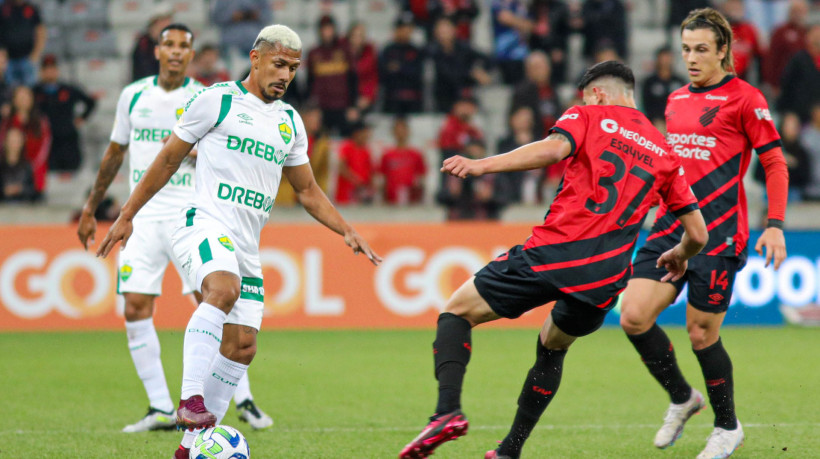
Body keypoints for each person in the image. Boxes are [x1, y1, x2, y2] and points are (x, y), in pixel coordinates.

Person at [94, 25, 381, 459]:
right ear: (256, 58)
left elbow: (306, 190)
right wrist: (127, 214)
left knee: (243, 344)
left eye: (294, 68)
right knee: (221, 291)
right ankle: (189, 402)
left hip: (246, 244)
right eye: (279, 64)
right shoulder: (218, 99)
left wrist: (346, 228)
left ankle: (189, 448)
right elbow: (169, 157)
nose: (286, 75)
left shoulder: (289, 122)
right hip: (204, 223)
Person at [399, 60, 708, 459]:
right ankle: (509, 451)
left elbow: (553, 149)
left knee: (456, 313)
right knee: (552, 347)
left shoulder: (588, 114)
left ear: (597, 93)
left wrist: (482, 165)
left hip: (556, 252)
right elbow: (698, 233)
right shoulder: (664, 151)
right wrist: (679, 254)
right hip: (606, 277)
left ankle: (446, 413)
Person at [77, 24, 274, 435]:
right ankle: (160, 407)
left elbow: (227, 149)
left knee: (218, 302)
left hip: (193, 213)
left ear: (190, 53)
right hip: (145, 219)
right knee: (134, 307)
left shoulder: (204, 96)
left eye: (185, 46)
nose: (176, 52)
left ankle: (245, 400)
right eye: (169, 44)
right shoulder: (133, 95)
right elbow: (115, 153)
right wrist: (92, 207)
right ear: (157, 50)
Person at [619, 9, 789, 459]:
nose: (691, 59)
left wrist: (775, 225)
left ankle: (727, 427)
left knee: (700, 334)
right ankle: (682, 397)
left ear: (723, 52)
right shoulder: (675, 101)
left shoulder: (745, 99)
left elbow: (774, 162)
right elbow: (670, 169)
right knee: (633, 315)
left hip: (718, 234)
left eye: (700, 50)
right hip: (670, 225)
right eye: (685, 50)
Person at [33, 55, 96, 173]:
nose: (49, 72)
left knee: (71, 172)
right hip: (47, 141)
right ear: (41, 72)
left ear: (57, 70)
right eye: (46, 69)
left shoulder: (68, 89)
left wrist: (82, 118)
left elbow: (90, 102)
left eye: (52, 68)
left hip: (68, 139)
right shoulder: (35, 92)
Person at [306, 15, 357, 135]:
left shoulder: (345, 51)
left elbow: (353, 79)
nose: (327, 33)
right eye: (324, 29)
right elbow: (310, 82)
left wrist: (353, 106)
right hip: (322, 107)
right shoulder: (314, 53)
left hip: (343, 105)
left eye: (329, 29)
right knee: (320, 143)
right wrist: (312, 107)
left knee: (346, 140)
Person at [428, 17, 491, 114]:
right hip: (444, 98)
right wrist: (472, 73)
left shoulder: (463, 47)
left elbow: (488, 59)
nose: (444, 32)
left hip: (465, 95)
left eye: (447, 28)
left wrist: (481, 70)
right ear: (435, 32)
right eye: (441, 29)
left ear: (454, 30)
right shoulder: (433, 51)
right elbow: (447, 74)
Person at [0, 85, 50, 199]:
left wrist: (29, 168)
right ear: (14, 100)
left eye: (26, 96)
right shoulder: (7, 121)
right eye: (20, 97)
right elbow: (2, 144)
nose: (23, 100)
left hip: (34, 173)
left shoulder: (40, 122)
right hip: (10, 171)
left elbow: (44, 149)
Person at [380, 13, 425, 115]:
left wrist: (399, 68)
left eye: (409, 28)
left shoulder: (416, 50)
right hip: (392, 99)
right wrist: (406, 69)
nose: (406, 31)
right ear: (396, 29)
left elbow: (417, 74)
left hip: (413, 100)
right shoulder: (388, 50)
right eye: (403, 28)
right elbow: (384, 74)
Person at [209, 0, 270, 74]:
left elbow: (268, 16)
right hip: (231, 44)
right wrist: (232, 16)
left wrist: (256, 15)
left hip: (255, 44)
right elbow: (215, 18)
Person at [509, 51, 560, 138]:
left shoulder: (553, 88)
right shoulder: (522, 92)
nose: (540, 71)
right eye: (536, 67)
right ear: (528, 71)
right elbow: (516, 119)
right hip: (535, 137)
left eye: (542, 67)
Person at [762, 0, 808, 95]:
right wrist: (773, 84)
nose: (797, 14)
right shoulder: (780, 32)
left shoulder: (808, 33)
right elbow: (771, 59)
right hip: (783, 83)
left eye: (800, 11)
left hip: (804, 84)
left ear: (805, 12)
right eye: (794, 11)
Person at [777, 23, 820, 124]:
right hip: (797, 111)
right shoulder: (798, 59)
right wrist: (789, 112)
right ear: (807, 38)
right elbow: (786, 85)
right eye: (815, 37)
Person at [379, 117, 426, 205]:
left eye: (403, 129)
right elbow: (383, 178)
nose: (400, 133)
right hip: (391, 200)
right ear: (393, 132)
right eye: (397, 130)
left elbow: (421, 177)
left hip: (411, 199)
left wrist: (420, 197)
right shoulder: (387, 155)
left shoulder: (416, 154)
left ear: (408, 131)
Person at [0, 0, 46, 87]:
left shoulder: (31, 9)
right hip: (9, 60)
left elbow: (41, 31)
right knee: (10, 90)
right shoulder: (3, 9)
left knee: (30, 89)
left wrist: (35, 54)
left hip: (27, 59)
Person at [640, 47, 686, 132]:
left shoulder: (679, 81)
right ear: (658, 59)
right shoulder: (649, 82)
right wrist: (655, 119)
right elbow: (646, 104)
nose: (666, 60)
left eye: (668, 57)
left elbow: (684, 104)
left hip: (676, 121)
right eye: (663, 57)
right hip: (656, 122)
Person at [341, 22, 379, 116]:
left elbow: (372, 79)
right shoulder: (340, 53)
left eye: (360, 36)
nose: (357, 39)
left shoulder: (370, 54)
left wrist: (368, 97)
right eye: (355, 35)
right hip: (342, 98)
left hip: (363, 98)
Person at [490, 0, 532, 85]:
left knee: (522, 84)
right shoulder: (498, 3)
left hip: (521, 53)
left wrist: (515, 21)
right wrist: (521, 23)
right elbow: (504, 18)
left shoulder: (519, 4)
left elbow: (530, 26)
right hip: (504, 53)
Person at [721, 0, 764, 82]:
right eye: (732, 7)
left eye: (738, 7)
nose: (735, 10)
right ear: (725, 8)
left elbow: (759, 55)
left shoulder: (749, 29)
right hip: (721, 77)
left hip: (743, 78)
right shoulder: (718, 29)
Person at [335, 120, 375, 205]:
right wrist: (356, 181)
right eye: (365, 133)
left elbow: (370, 172)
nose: (367, 136)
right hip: (346, 195)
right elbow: (341, 167)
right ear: (357, 133)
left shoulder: (366, 151)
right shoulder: (346, 147)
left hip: (360, 195)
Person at [132, 3, 174, 82]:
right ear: (157, 22)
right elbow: (144, 71)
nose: (169, 23)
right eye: (166, 20)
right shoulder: (143, 43)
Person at [0, 126, 36, 202]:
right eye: (11, 141)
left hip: (22, 209)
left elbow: (33, 191)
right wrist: (4, 190)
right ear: (5, 142)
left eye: (16, 141)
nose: (13, 145)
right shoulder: (1, 166)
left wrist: (20, 189)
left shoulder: (27, 166)